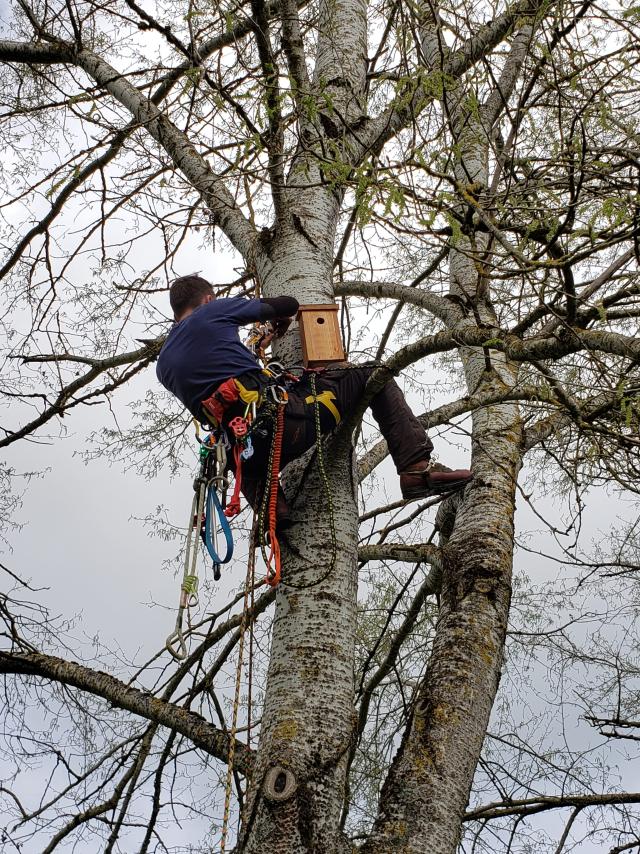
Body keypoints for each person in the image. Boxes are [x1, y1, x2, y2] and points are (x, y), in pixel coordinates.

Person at [156, 275, 472, 520]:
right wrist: (280, 322)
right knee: (373, 374)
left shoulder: (164, 366)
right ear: (209, 299)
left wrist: (253, 351)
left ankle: (272, 516)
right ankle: (416, 469)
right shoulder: (212, 312)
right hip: (286, 423)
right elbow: (288, 304)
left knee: (247, 453)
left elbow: (220, 376)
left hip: (247, 456)